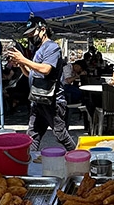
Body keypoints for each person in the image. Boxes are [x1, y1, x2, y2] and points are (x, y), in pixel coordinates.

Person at [6, 16, 75, 151]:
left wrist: (24, 59)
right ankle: (28, 166)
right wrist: (20, 63)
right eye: (29, 35)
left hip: (52, 101)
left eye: (33, 33)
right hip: (38, 100)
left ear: (43, 30)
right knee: (32, 137)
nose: (31, 37)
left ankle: (80, 159)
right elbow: (30, 73)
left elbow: (45, 69)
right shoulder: (38, 50)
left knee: (61, 135)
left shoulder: (52, 47)